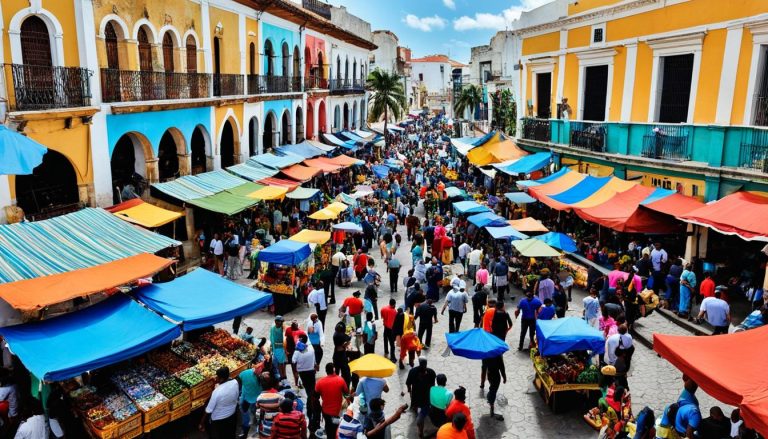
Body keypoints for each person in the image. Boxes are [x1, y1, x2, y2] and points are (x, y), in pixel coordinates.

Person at [199, 367, 239, 438]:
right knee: (230, 434)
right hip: (232, 415)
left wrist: (202, 423)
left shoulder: (217, 392)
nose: (216, 378)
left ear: (221, 379)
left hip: (219, 419)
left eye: (217, 377)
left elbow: (208, 410)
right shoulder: (235, 382)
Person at [315, 363, 351, 439]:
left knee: (328, 428)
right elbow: (346, 394)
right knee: (337, 429)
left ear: (326, 371)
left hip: (326, 411)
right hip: (338, 411)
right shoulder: (340, 380)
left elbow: (315, 397)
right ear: (334, 370)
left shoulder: (320, 382)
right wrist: (349, 404)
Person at [406, 357, 436, 438]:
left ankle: (416, 411)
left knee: (416, 404)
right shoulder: (431, 372)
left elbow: (408, 383)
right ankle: (422, 413)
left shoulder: (412, 371)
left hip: (416, 394)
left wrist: (409, 390)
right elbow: (433, 385)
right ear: (426, 363)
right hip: (426, 395)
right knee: (424, 406)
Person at [239, 360, 264, 438]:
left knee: (249, 414)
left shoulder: (244, 373)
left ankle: (248, 430)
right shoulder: (245, 374)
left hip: (251, 400)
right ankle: (248, 429)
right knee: (249, 414)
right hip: (250, 399)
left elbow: (239, 383)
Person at [269, 316, 287, 387]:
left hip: (281, 348)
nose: (281, 323)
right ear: (276, 322)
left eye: (282, 322)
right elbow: (271, 338)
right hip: (277, 348)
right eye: (280, 321)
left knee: (282, 363)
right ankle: (282, 377)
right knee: (280, 364)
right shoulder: (273, 328)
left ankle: (283, 377)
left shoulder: (282, 328)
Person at [485, 355, 505, 421]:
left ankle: (490, 398)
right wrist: (504, 377)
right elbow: (502, 368)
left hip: (489, 374)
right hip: (496, 376)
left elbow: (485, 365)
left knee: (492, 388)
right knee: (493, 390)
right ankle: (491, 405)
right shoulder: (498, 356)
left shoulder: (486, 354)